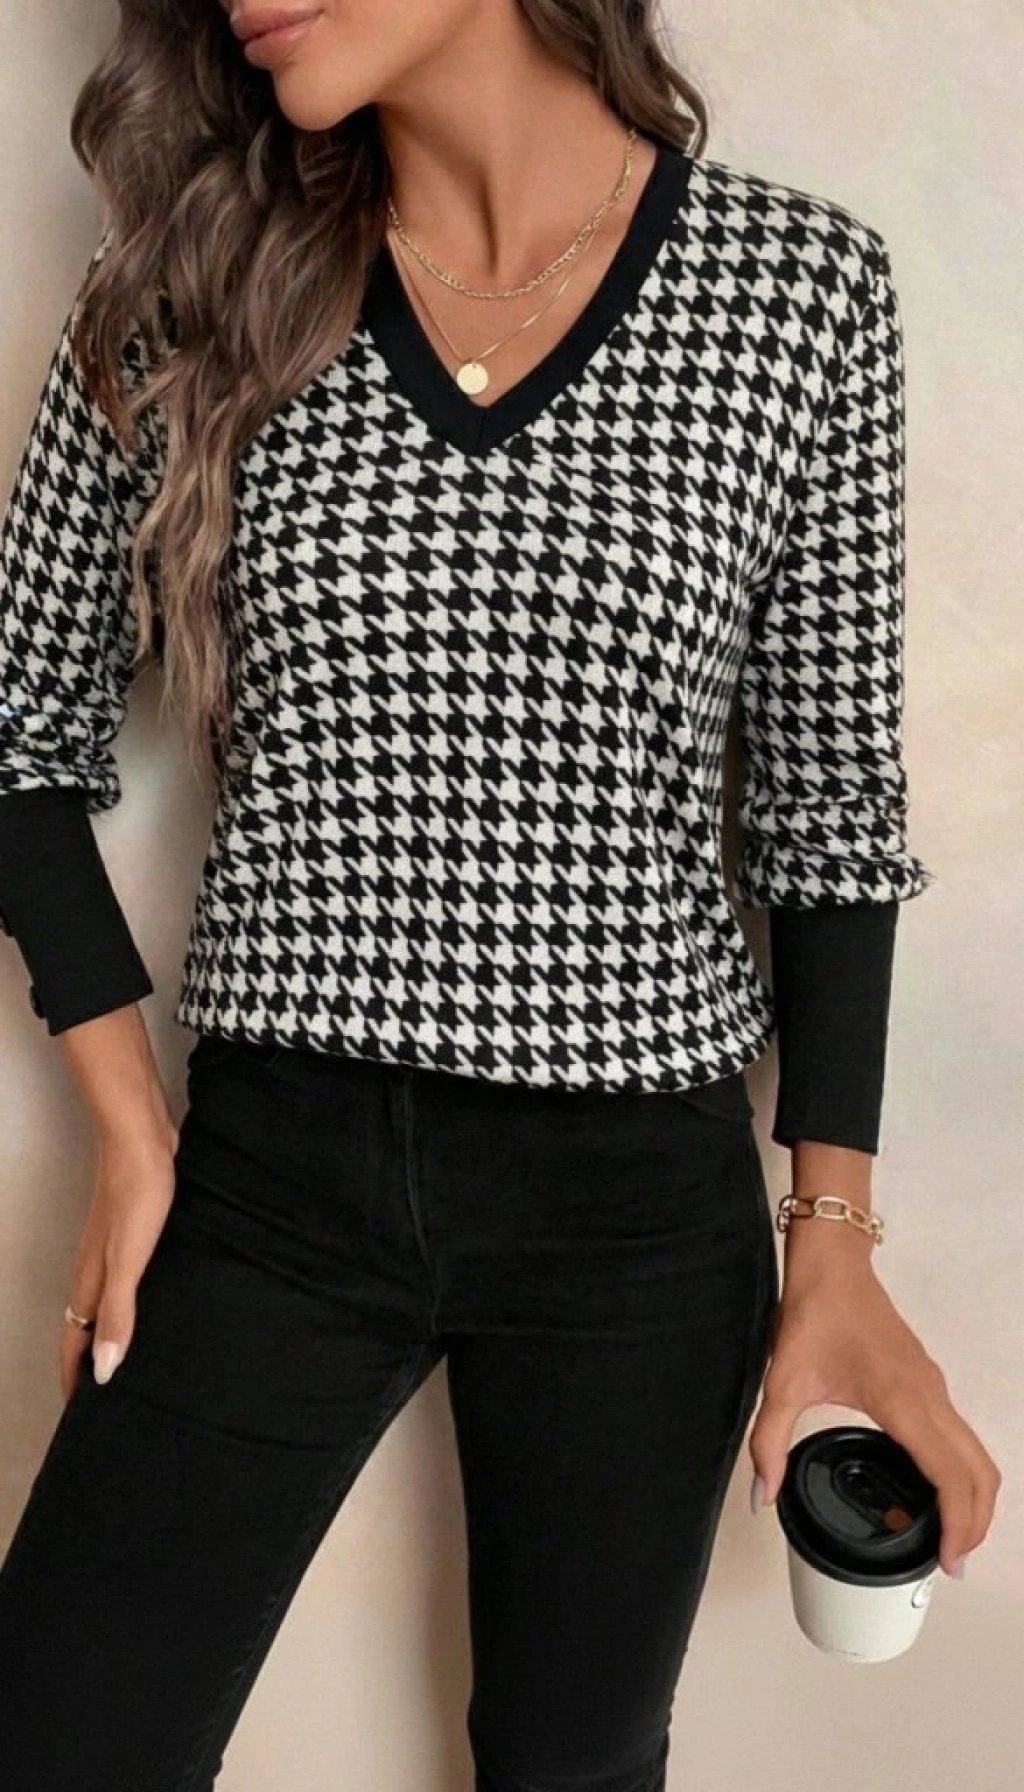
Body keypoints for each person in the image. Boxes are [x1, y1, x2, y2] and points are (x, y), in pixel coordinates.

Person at [0, 3, 1001, 1788]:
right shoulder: (190, 281)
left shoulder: (799, 295)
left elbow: (831, 811)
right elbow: (14, 725)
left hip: (639, 1210)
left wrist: (833, 1239)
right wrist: (130, 1129)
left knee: (574, 1767)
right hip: (271, 1178)